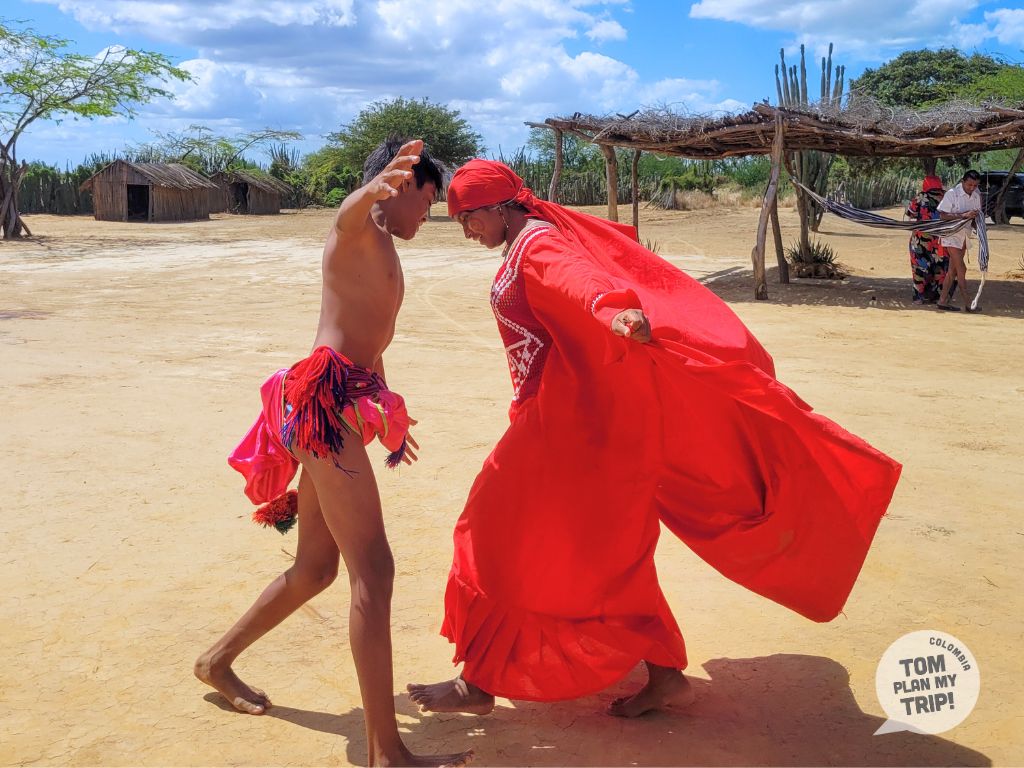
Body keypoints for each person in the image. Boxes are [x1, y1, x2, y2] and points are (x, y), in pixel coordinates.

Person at [407, 159, 902, 719]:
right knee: (597, 553)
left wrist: (612, 311)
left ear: (498, 207)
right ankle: (655, 674)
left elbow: (578, 281)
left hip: (572, 433)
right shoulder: (523, 243)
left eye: (467, 217)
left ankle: (480, 684)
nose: (465, 228)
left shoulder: (539, 245)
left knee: (493, 532)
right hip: (560, 425)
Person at [195, 138, 472, 768]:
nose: (430, 214)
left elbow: (370, 338)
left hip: (335, 408)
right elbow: (350, 211)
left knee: (318, 569)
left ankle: (215, 662)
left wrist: (383, 406)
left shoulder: (385, 247)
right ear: (399, 187)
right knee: (373, 572)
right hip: (320, 411)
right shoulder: (357, 230)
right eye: (426, 198)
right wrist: (372, 190)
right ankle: (384, 754)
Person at [936, 170, 983, 313]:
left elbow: (977, 216)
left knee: (953, 270)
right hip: (951, 235)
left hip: (965, 235)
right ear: (963, 182)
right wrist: (963, 216)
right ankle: (969, 303)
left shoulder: (976, 195)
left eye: (975, 185)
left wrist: (978, 225)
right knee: (961, 269)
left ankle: (942, 301)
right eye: (969, 185)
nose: (972, 188)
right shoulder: (952, 193)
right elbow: (943, 215)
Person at [906, 175, 952, 304]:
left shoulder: (921, 197)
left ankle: (919, 297)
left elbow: (911, 213)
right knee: (940, 267)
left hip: (921, 239)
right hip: (941, 240)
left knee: (919, 267)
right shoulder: (947, 197)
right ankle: (937, 295)